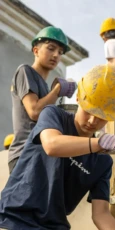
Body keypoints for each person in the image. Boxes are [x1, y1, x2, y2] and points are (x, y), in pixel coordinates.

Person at [0, 64, 115, 230]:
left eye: (101, 117)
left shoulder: (102, 162)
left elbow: (101, 214)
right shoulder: (53, 115)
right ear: (78, 98)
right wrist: (102, 143)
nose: (93, 121)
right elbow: (51, 145)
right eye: (89, 111)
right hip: (13, 219)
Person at [8, 26, 77, 174]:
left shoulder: (45, 88)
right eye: (51, 48)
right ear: (36, 50)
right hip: (24, 154)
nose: (56, 55)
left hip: (41, 155)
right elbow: (34, 111)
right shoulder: (25, 71)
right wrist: (57, 90)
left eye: (60, 52)